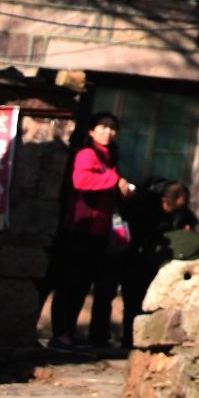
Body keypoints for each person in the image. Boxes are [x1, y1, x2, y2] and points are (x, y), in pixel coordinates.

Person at [48, 111, 133, 352]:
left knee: (83, 283)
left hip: (98, 229)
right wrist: (112, 180)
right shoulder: (87, 154)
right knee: (70, 282)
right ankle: (60, 332)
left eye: (112, 128)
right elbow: (81, 181)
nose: (108, 131)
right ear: (91, 130)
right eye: (103, 126)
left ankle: (70, 331)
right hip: (79, 228)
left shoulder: (109, 157)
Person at [118, 182, 199, 340]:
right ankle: (128, 338)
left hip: (159, 263)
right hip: (136, 258)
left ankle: (143, 337)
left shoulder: (182, 215)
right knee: (133, 300)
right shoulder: (144, 209)